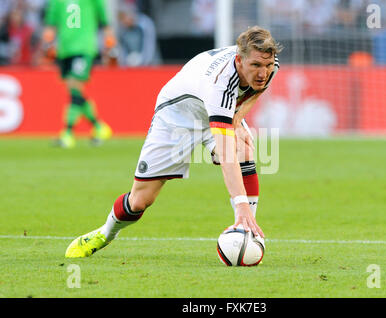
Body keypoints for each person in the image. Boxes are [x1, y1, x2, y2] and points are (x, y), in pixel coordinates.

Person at [65, 26, 282, 258]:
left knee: (244, 149)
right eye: (256, 66)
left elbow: (257, 90)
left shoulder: (269, 63)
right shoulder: (220, 83)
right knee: (140, 201)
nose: (263, 73)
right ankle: (105, 233)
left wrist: (238, 118)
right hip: (177, 116)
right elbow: (225, 152)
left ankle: (248, 230)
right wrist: (241, 205)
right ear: (239, 61)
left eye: (268, 66)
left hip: (215, 109)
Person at [42, 0, 116, 148]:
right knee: (74, 91)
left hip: (84, 47)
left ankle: (68, 133)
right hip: (64, 50)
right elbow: (51, 25)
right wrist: (47, 45)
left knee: (75, 86)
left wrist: (110, 42)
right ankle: (99, 127)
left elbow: (104, 21)